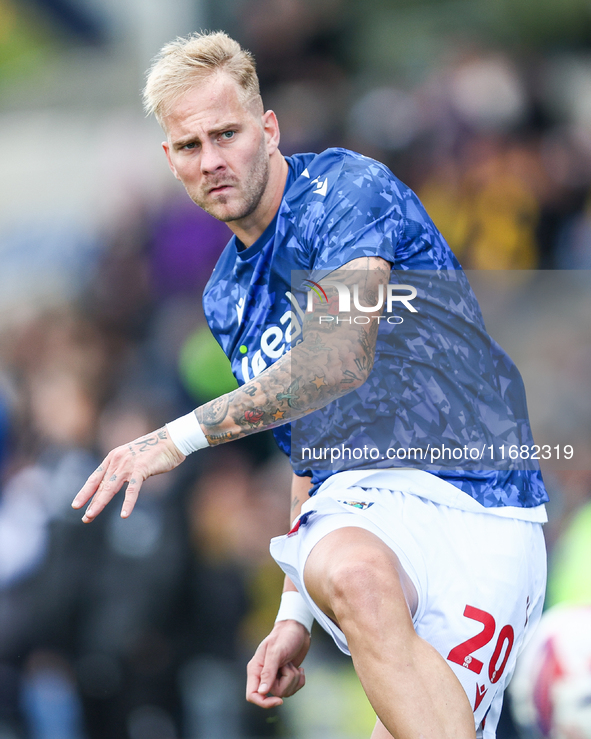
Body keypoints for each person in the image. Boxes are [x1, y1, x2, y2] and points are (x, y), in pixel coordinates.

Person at [72, 31, 548, 739]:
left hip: (485, 502)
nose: (213, 161)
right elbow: (311, 455)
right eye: (190, 146)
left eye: (227, 134)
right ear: (169, 160)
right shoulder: (226, 297)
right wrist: (293, 613)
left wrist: (177, 438)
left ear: (267, 130)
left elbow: (334, 361)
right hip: (369, 506)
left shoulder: (347, 193)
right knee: (351, 573)